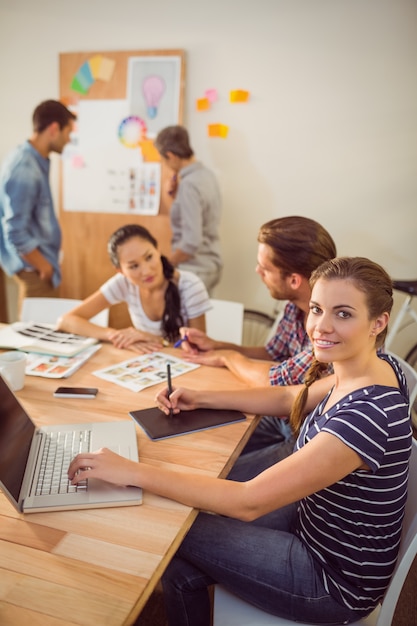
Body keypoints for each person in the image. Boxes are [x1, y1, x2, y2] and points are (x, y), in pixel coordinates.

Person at [68, 256, 412, 625]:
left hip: (332, 582)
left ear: (378, 322)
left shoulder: (367, 414)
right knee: (179, 563)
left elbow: (247, 502)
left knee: (171, 520)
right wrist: (201, 398)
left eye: (343, 314)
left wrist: (132, 471)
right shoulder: (374, 367)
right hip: (312, 524)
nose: (321, 326)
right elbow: (286, 398)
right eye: (316, 309)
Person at [181, 215, 337, 459]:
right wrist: (216, 345)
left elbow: (276, 383)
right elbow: (272, 354)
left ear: (294, 280)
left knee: (224, 478)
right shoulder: (295, 304)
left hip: (310, 436)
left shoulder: (329, 330)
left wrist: (228, 357)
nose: (257, 271)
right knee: (202, 446)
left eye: (265, 269)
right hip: (282, 417)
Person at [57, 224, 211, 353]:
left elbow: (198, 350)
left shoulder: (190, 286)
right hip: (149, 364)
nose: (146, 271)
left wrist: (153, 339)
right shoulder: (123, 283)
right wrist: (116, 335)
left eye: (149, 257)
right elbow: (66, 321)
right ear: (120, 271)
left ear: (157, 250)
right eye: (134, 266)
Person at [0, 100, 76, 312]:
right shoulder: (25, 168)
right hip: (34, 268)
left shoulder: (36, 160)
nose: (69, 140)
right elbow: (15, 232)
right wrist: (43, 266)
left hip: (41, 264)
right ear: (54, 129)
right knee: (37, 336)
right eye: (68, 132)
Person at [154, 125, 223, 295]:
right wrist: (173, 196)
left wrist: (167, 264)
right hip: (211, 263)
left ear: (170, 156)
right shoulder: (208, 175)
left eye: (163, 160)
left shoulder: (189, 185)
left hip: (195, 269)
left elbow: (191, 243)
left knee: (186, 321)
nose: (165, 164)